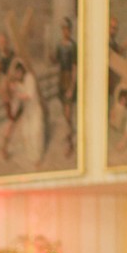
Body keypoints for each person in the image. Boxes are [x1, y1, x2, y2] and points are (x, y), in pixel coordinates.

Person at [5, 60, 45, 167]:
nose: (18, 75)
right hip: (27, 112)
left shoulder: (29, 78)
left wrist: (15, 92)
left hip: (35, 110)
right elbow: (17, 102)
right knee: (26, 133)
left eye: (19, 72)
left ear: (22, 71)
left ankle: (37, 158)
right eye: (16, 73)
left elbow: (28, 96)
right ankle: (32, 156)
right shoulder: (17, 84)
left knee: (35, 133)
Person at [53, 16, 77, 155]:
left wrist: (72, 87)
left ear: (70, 30)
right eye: (63, 29)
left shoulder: (73, 46)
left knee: (68, 112)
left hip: (69, 79)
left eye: (67, 29)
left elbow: (74, 67)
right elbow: (57, 62)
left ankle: (70, 144)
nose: (65, 31)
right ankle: (70, 132)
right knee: (64, 112)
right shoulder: (59, 45)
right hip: (61, 80)